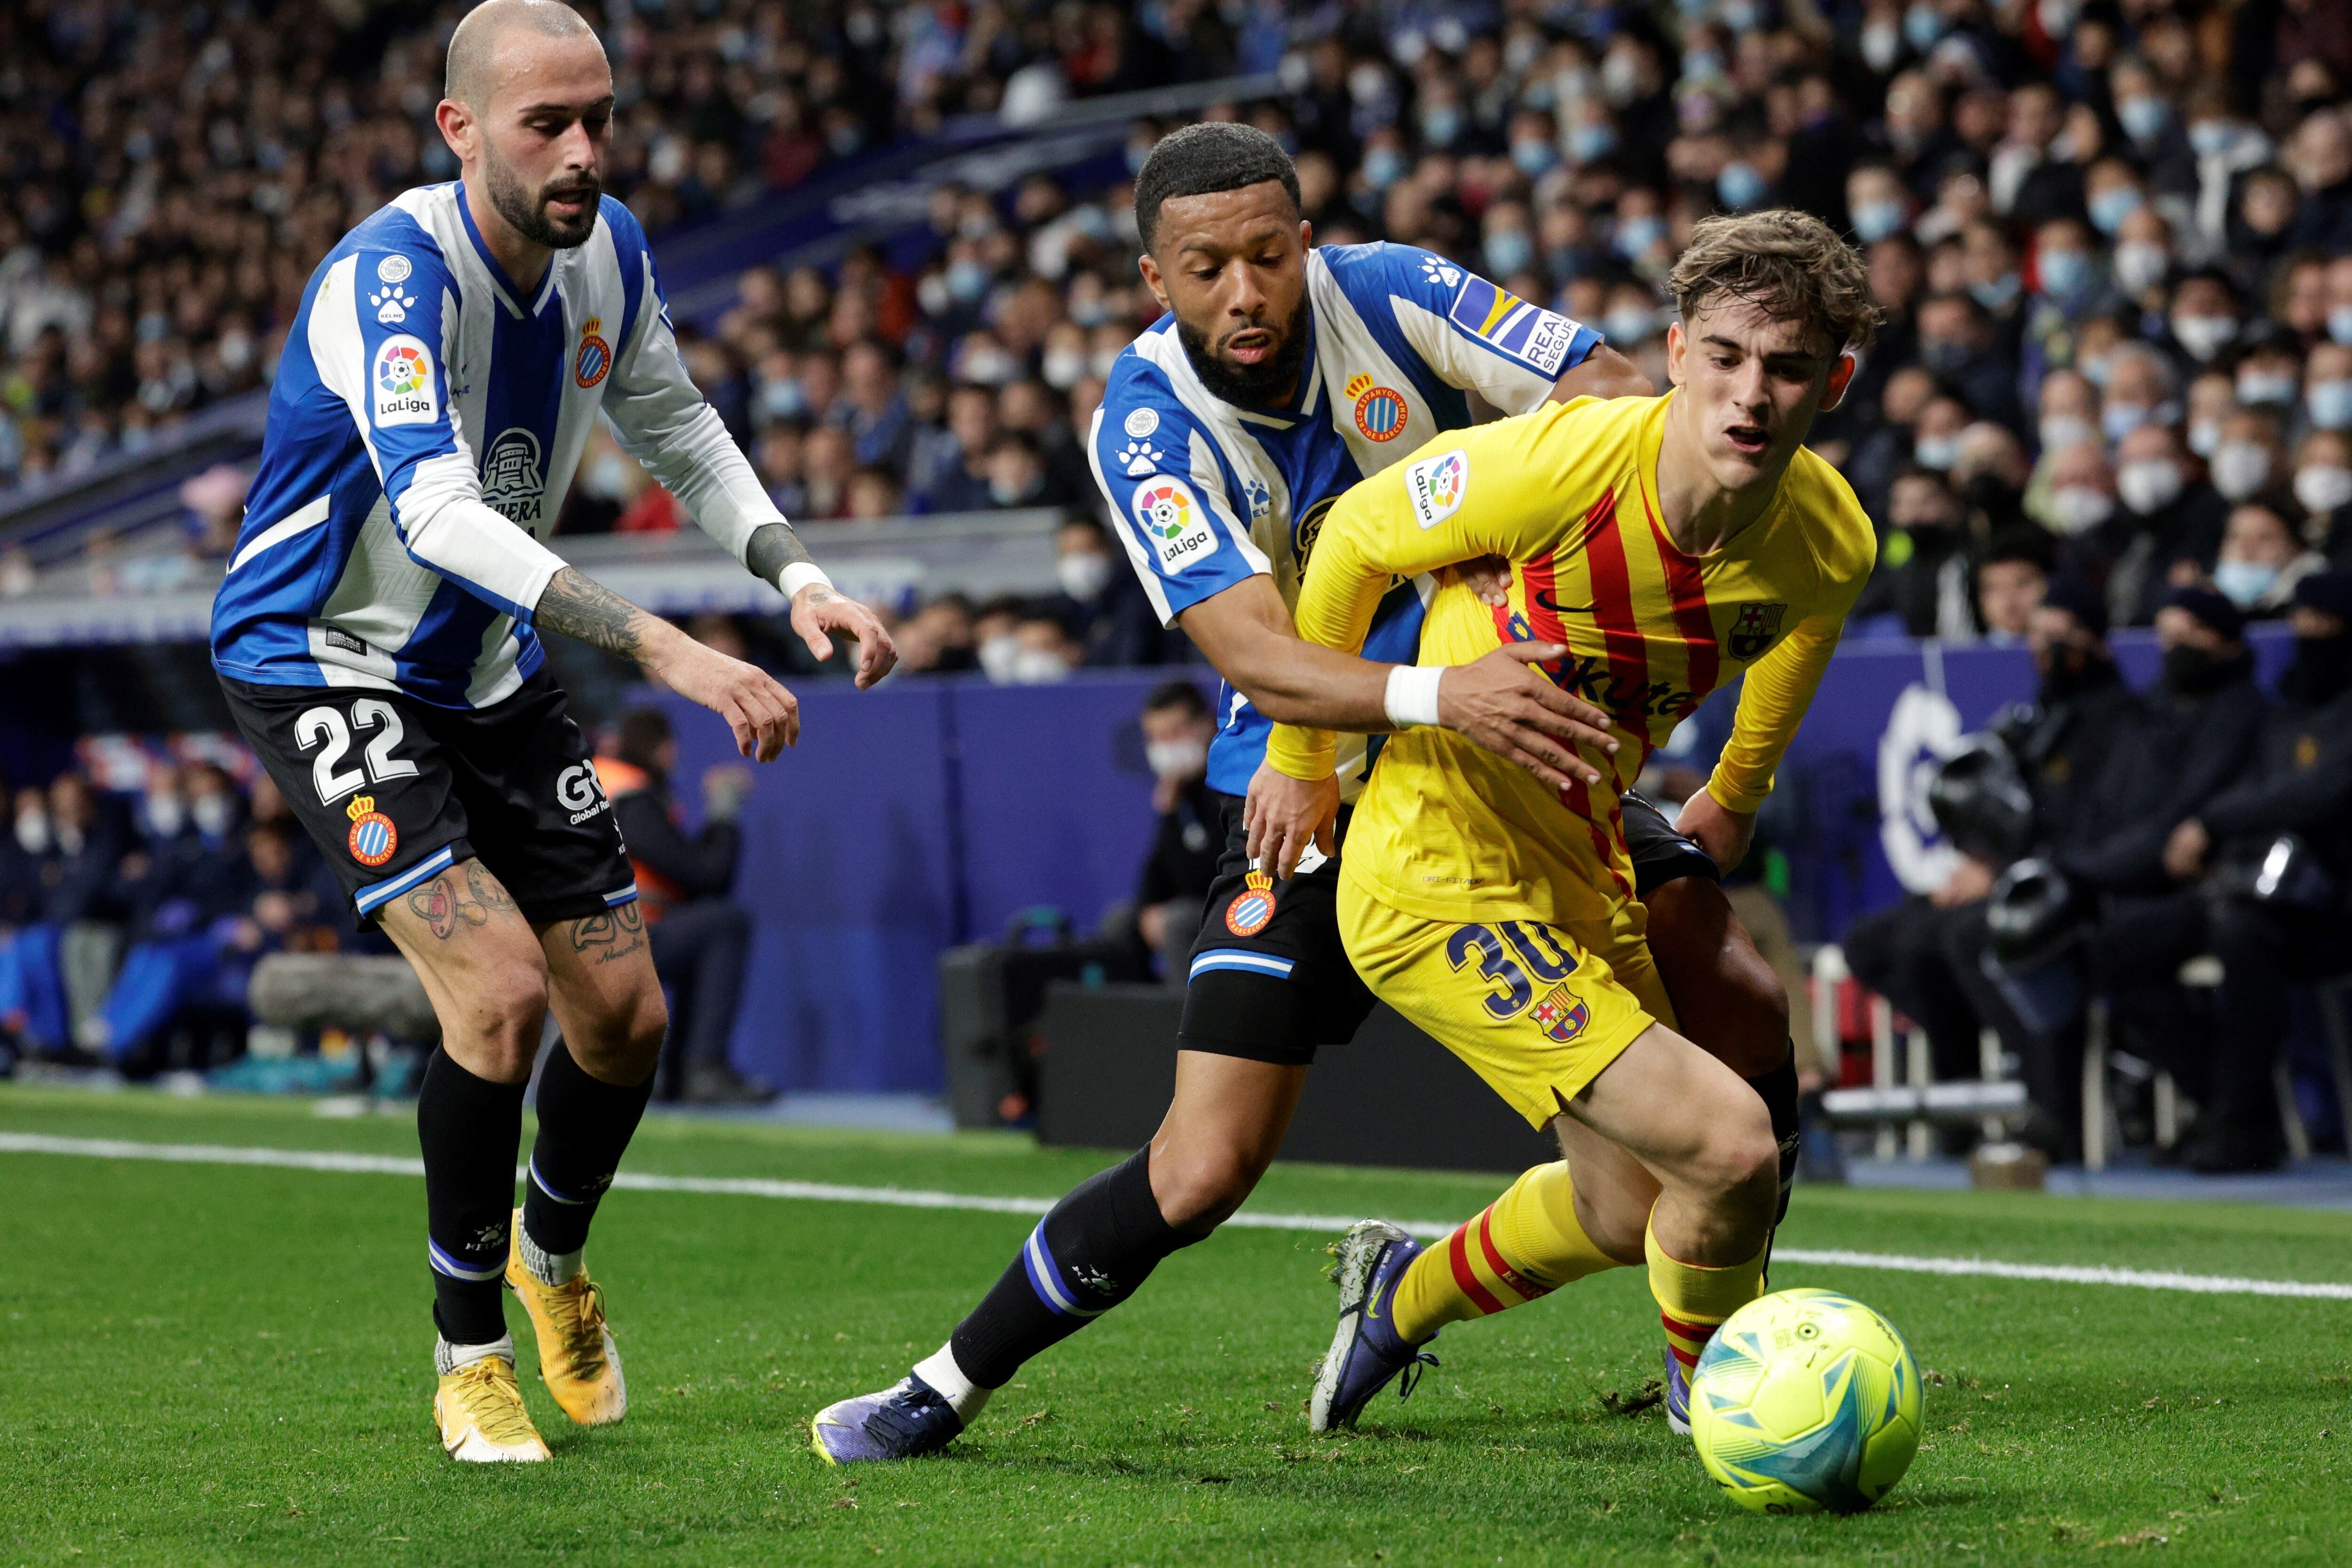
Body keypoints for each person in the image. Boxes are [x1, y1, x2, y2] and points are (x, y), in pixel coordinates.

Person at [811, 121, 1780, 1464]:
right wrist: (1431, 694)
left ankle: (1727, 1347)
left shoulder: (1390, 293)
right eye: (1207, 268)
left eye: (1268, 255)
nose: (1246, 293)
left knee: (1711, 1012)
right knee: (1202, 1167)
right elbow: (1258, 651)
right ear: (1158, 281)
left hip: (1502, 767)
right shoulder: (1145, 421)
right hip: (1308, 784)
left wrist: (1506, 541)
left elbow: (1613, 394)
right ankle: (945, 1383)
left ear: (1306, 243)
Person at [205, 0, 894, 1465]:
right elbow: (439, 512)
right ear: (459, 130)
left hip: (491, 670)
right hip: (328, 660)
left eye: (599, 118)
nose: (584, 150)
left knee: (626, 1018)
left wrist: (800, 576)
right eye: (547, 125)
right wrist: (666, 646)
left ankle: (553, 1262)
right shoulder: (394, 278)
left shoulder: (610, 250)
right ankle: (467, 1358)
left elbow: (678, 425)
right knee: (499, 991)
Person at [1261, 209, 1880, 1435]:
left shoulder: (1831, 535)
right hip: (1434, 871)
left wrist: (1737, 789)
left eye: (1790, 367)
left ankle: (1401, 1290)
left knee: (1621, 1207)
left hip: (1577, 857)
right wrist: (1308, 761)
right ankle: (1724, 1398)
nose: (1751, 396)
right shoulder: (1564, 462)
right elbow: (1353, 543)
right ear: (1675, 353)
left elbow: (1808, 623)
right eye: (1725, 356)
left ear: (1835, 381)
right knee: (1730, 1147)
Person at [2094, 575, 2352, 1171]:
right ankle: (2227, 1103)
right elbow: (2259, 792)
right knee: (2121, 947)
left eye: (2325, 624)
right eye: (2302, 622)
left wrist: (2211, 822)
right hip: (2253, 887)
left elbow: (2321, 796)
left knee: (2242, 935)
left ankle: (2241, 1129)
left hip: (2331, 902)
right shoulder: (2284, 707)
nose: (2309, 635)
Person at [594, 708, 769, 1106]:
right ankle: (703, 1068)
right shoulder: (629, 795)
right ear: (662, 748)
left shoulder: (596, 781)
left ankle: (675, 1071)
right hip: (613, 941)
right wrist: (723, 814)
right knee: (725, 923)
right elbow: (705, 878)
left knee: (699, 926)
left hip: (579, 936)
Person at [1127, 680, 1221, 974]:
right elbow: (1158, 868)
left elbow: (1213, 869)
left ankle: (1180, 1017)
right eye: (1156, 738)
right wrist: (1148, 908)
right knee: (1122, 921)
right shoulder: (1179, 791)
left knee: (1178, 922)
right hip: (1192, 904)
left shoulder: (1230, 782)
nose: (1165, 747)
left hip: (1234, 902)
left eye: (1175, 733)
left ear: (1206, 724)